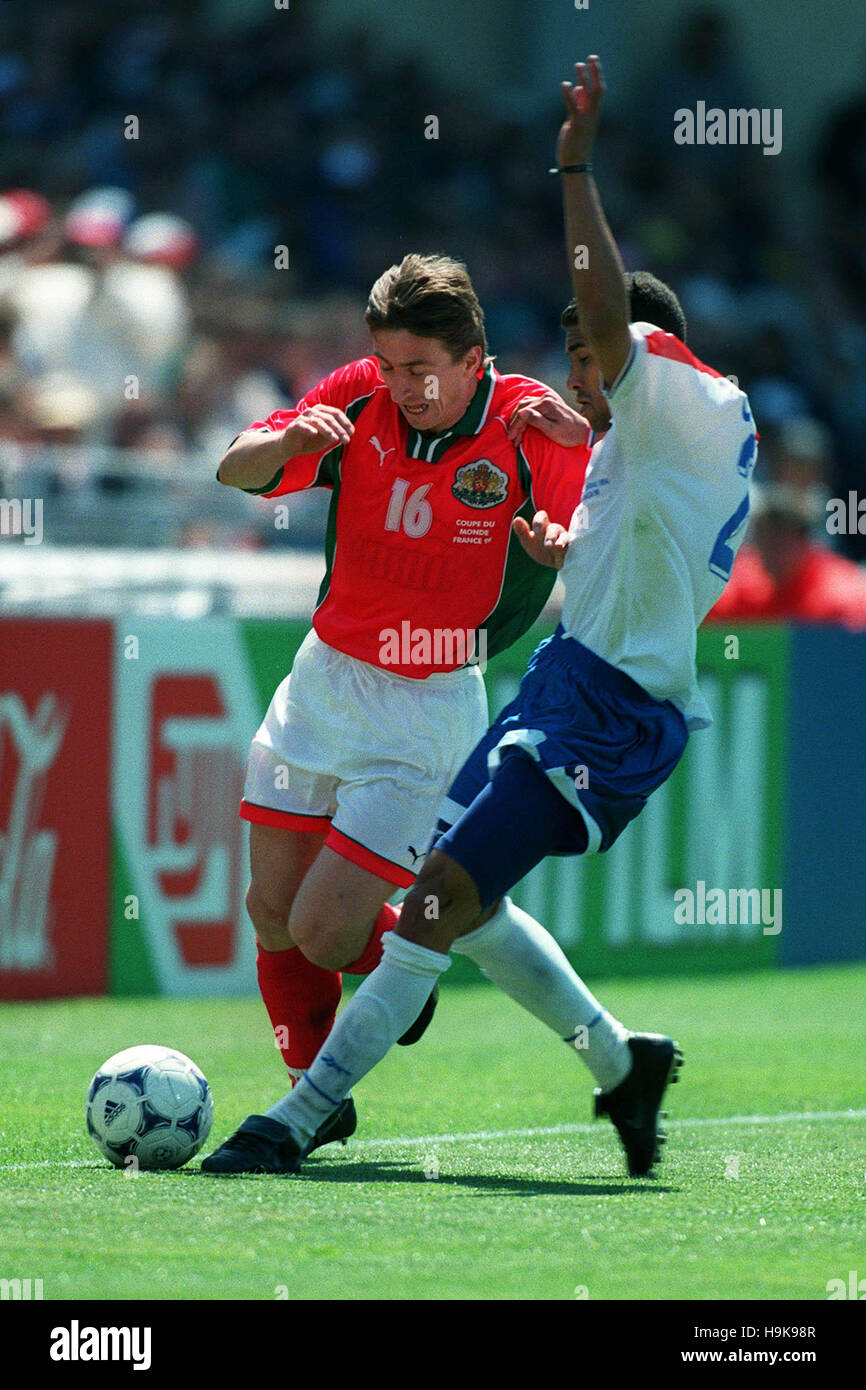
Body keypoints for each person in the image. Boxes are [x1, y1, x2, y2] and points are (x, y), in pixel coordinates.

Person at [200, 56, 759, 1181]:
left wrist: (571, 162)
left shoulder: (650, 405)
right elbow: (606, 543)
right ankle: (618, 1061)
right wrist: (560, 554)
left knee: (424, 907)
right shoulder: (637, 447)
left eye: (597, 355)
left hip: (586, 706)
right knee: (427, 895)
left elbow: (608, 311)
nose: (584, 376)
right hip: (539, 682)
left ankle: (293, 1119)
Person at [205, 252, 592, 1160]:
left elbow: (588, 536)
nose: (402, 388)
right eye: (388, 366)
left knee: (324, 928)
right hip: (325, 682)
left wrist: (556, 537)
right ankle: (315, 1097)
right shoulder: (358, 397)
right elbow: (234, 469)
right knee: (269, 910)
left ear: (473, 359)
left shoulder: (533, 420)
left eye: (422, 370)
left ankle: (405, 972)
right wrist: (292, 446)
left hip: (425, 709)